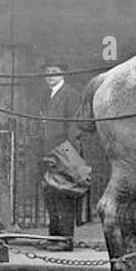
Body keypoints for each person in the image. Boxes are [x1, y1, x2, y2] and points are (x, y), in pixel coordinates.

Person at [39, 60, 85, 250]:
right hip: (49, 154)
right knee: (51, 197)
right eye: (48, 72)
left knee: (64, 197)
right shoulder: (47, 95)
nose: (50, 76)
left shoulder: (70, 95)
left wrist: (69, 156)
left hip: (63, 154)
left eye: (55, 72)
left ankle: (65, 240)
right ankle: (54, 237)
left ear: (63, 74)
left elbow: (73, 127)